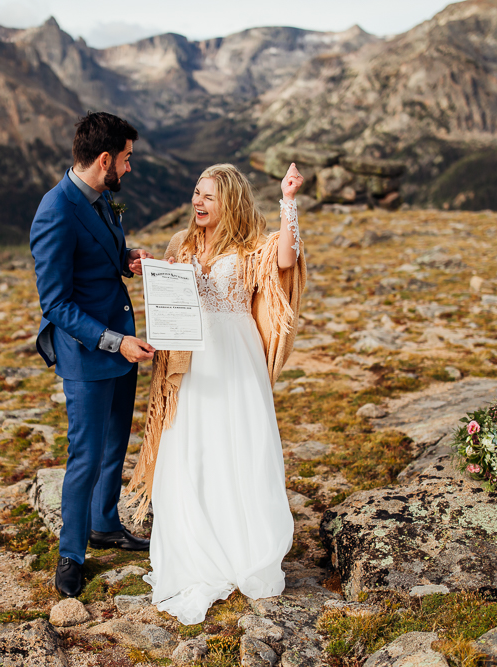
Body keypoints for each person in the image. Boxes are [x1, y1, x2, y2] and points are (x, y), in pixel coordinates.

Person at [126, 162, 306, 625]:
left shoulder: (250, 248)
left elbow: (286, 260)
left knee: (237, 450)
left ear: (231, 201)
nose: (198, 202)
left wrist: (289, 201)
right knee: (190, 450)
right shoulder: (180, 244)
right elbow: (170, 294)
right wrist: (151, 270)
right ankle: (194, 549)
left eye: (208, 195)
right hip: (189, 364)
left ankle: (242, 548)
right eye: (195, 192)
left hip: (234, 361)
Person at [30, 111, 157, 598]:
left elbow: (100, 258)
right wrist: (115, 341)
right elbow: (56, 304)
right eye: (126, 159)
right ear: (104, 159)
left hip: (121, 345)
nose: (129, 169)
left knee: (114, 444)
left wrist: (126, 259)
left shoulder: (101, 197)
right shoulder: (55, 211)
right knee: (84, 454)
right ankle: (71, 553)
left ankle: (106, 523)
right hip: (90, 353)